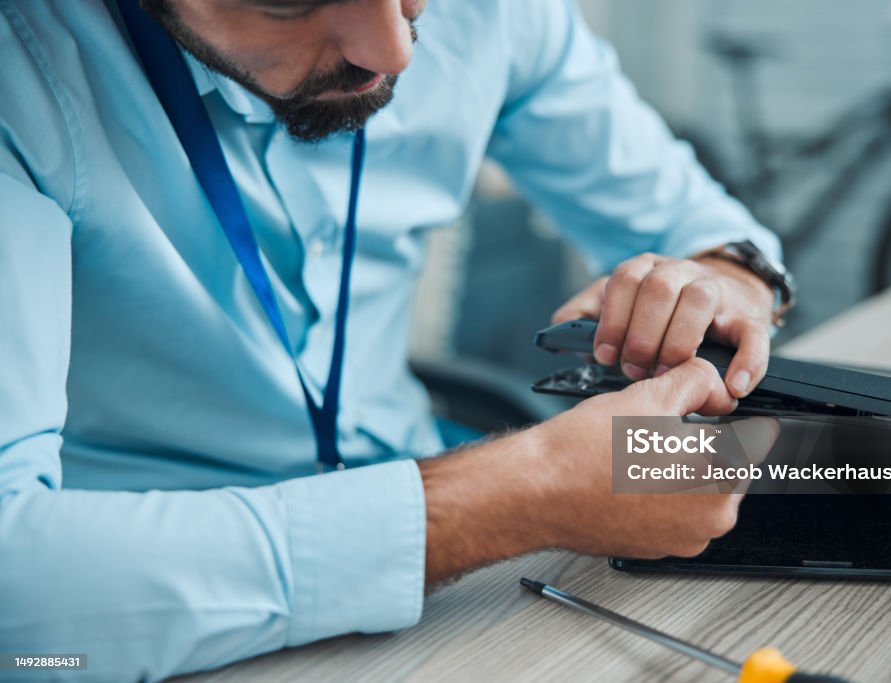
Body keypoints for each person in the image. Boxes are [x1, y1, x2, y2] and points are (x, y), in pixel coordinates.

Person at [0, 0, 787, 679]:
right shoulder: (19, 71)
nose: (394, 52)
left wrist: (724, 280)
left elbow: (705, 230)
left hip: (459, 590)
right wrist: (523, 490)